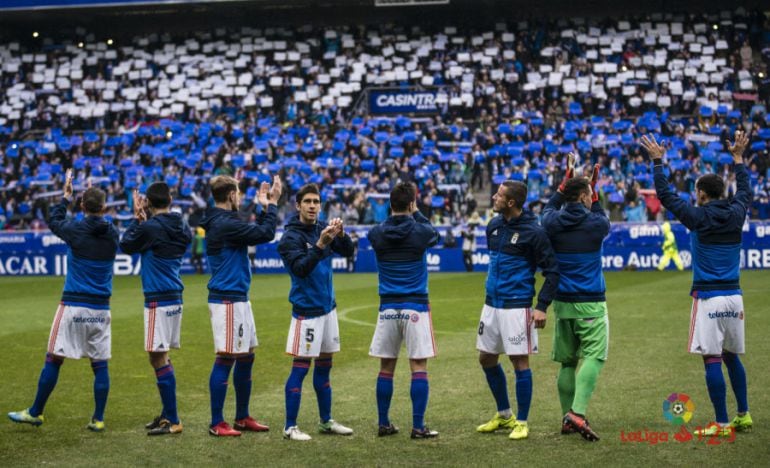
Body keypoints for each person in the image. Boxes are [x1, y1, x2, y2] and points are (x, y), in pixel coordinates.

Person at [642, 132, 752, 437]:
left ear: (702, 193)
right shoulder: (737, 212)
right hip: (735, 297)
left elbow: (665, 196)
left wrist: (657, 161)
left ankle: (722, 422)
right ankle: (743, 414)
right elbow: (745, 191)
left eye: (695, 190)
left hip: (709, 297)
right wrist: (739, 159)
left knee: (712, 358)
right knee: (732, 356)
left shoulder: (697, 216)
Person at [8, 170, 118, 432]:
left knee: (54, 359)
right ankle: (98, 418)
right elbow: (101, 223)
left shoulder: (75, 229)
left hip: (73, 304)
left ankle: (36, 412)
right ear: (104, 207)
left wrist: (66, 197)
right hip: (101, 308)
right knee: (99, 364)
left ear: (82, 206)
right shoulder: (113, 233)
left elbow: (55, 219)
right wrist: (90, 201)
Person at [475, 181, 559, 441]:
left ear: (511, 203)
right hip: (491, 304)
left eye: (499, 195)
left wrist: (542, 307)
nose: (494, 197)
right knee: (486, 359)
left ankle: (522, 422)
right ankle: (504, 414)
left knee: (519, 362)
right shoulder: (494, 226)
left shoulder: (534, 232)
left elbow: (553, 272)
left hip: (516, 306)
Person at [199, 175, 282, 436]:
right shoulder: (225, 223)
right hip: (227, 299)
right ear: (232, 196)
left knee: (246, 356)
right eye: (239, 194)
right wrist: (272, 204)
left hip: (238, 298)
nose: (241, 198)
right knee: (226, 358)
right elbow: (266, 233)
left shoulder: (221, 221)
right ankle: (216, 422)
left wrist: (261, 206)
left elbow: (254, 230)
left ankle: (242, 417)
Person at [277, 183, 355, 441]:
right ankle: (290, 427)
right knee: (300, 368)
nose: (312, 206)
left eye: (316, 202)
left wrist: (341, 235)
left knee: (325, 366)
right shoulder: (290, 237)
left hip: (327, 308)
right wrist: (320, 246)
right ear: (298, 205)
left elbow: (348, 252)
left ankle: (326, 421)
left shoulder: (324, 228)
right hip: (307, 311)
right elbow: (300, 269)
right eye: (307, 201)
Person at [541, 157, 610, 442]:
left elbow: (548, 208)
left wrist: (566, 185)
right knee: (595, 355)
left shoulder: (551, 222)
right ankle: (577, 413)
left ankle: (567, 416)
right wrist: (593, 192)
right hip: (590, 300)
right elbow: (601, 215)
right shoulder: (596, 224)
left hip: (562, 301)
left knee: (567, 363)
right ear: (584, 197)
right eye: (589, 195)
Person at [368, 182, 440, 439]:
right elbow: (434, 234)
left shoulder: (376, 233)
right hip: (415, 305)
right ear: (411, 204)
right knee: (418, 366)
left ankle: (383, 422)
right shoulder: (420, 232)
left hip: (387, 306)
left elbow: (382, 232)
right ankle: (418, 426)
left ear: (389, 205)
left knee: (386, 367)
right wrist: (417, 212)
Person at [119, 182, 192, 436]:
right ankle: (166, 414)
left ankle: (173, 419)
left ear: (148, 202)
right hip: (174, 294)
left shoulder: (149, 227)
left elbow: (126, 245)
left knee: (157, 355)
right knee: (160, 354)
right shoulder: (182, 225)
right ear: (170, 200)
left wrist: (137, 220)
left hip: (157, 297)